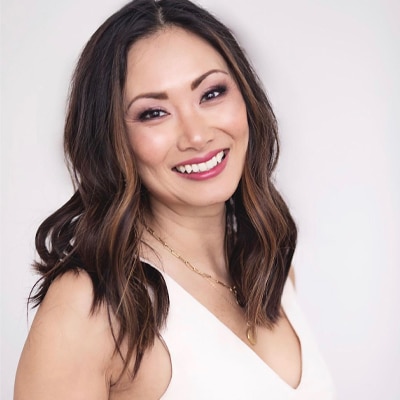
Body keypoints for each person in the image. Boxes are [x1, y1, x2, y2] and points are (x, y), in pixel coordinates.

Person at [14, 0, 335, 398]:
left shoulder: (271, 270)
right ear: (112, 140)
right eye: (153, 113)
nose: (196, 135)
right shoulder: (92, 306)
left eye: (212, 93)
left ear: (247, 99)